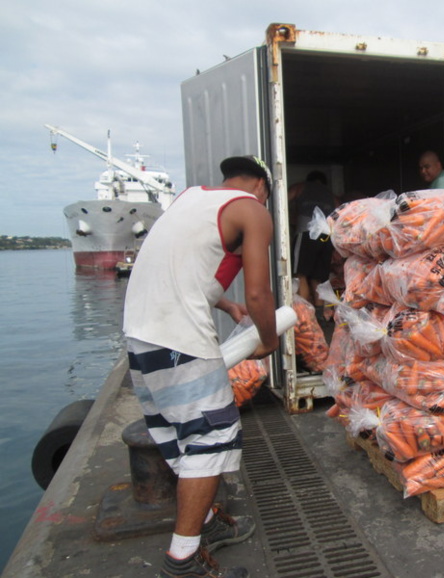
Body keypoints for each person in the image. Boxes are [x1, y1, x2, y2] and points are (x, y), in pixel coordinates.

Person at [123, 155, 279, 578]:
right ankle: (182, 562)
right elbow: (261, 295)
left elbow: (178, 270)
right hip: (179, 339)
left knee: (180, 434)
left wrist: (226, 304)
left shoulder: (189, 199)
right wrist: (269, 339)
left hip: (140, 336)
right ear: (262, 186)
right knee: (213, 436)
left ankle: (206, 525)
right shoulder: (252, 209)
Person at [289, 171, 336, 307]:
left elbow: (282, 199)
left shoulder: (301, 187)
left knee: (300, 274)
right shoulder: (330, 195)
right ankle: (320, 314)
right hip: (326, 237)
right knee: (318, 277)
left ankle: (304, 313)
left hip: (307, 233)